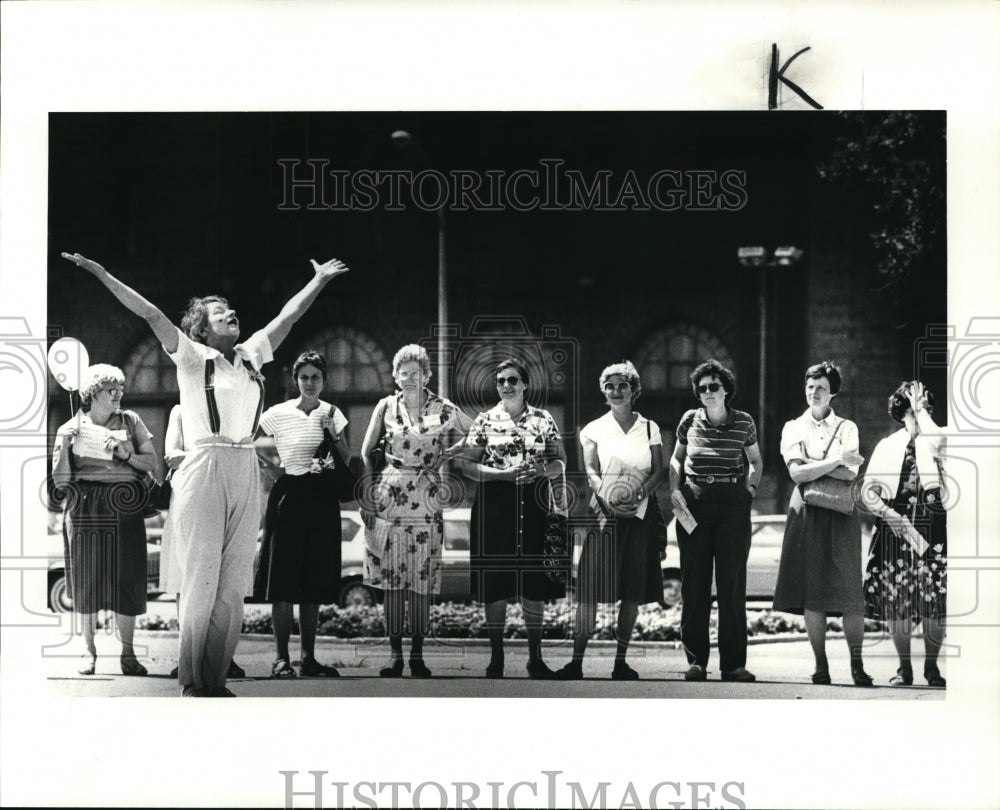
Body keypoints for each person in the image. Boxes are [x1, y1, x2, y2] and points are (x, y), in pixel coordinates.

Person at [61, 251, 349, 696]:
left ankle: (214, 677)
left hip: (243, 462)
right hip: (203, 464)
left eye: (231, 310)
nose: (231, 313)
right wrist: (102, 274)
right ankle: (192, 676)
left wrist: (319, 282)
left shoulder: (251, 355)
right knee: (201, 579)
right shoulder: (192, 358)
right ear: (201, 327)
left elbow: (288, 317)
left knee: (234, 582)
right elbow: (149, 312)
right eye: (219, 313)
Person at [359, 344, 470, 678]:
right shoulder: (385, 406)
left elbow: (476, 434)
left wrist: (447, 454)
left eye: (416, 372)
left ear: (427, 375)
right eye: (403, 372)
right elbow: (365, 452)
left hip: (426, 496)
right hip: (389, 494)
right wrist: (367, 496)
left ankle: (418, 656)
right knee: (392, 582)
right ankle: (395, 656)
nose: (409, 378)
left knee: (421, 581)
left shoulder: (443, 407)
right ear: (395, 376)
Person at [555, 361, 667, 681]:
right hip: (603, 514)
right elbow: (590, 469)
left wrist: (638, 494)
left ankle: (621, 662)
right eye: (610, 386)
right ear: (603, 392)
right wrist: (608, 495)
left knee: (631, 590)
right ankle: (576, 663)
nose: (616, 391)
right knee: (589, 589)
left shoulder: (649, 427)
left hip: (639, 515)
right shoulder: (593, 428)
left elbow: (658, 469)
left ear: (634, 390)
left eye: (622, 385)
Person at [458, 358, 567, 679]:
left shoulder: (543, 419)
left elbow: (560, 461)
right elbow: (467, 466)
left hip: (534, 504)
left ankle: (536, 659)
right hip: (496, 505)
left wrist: (541, 469)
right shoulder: (485, 420)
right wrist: (504, 475)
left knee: (534, 584)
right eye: (501, 381)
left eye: (513, 380)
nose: (507, 385)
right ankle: (496, 660)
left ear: (525, 384)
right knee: (495, 584)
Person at [52, 364, 158, 676]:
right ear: (93, 393)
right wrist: (66, 447)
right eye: (112, 389)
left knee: (128, 576)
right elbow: (60, 483)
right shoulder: (70, 427)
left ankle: (128, 654)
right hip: (85, 505)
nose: (119, 394)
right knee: (87, 579)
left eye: (121, 389)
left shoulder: (131, 420)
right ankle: (89, 650)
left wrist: (126, 455)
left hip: (125, 503)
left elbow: (151, 463)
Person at [771, 362, 872, 686]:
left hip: (842, 512)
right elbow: (796, 473)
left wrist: (816, 465)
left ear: (834, 393)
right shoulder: (793, 427)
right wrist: (836, 460)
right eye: (810, 386)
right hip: (806, 512)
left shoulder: (848, 427)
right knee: (811, 589)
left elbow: (851, 473)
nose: (814, 393)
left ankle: (857, 665)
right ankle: (821, 666)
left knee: (849, 592)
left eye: (822, 388)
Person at [254, 351, 348, 678]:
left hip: (321, 498)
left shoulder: (332, 412)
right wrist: (270, 470)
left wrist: (331, 434)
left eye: (315, 377)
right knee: (282, 581)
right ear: (295, 380)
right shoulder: (278, 412)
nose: (310, 383)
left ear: (324, 380)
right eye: (304, 377)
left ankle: (308, 658)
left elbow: (346, 457)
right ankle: (281, 659)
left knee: (314, 580)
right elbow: (247, 442)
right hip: (288, 493)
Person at [668, 359, 762, 683]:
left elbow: (756, 461)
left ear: (726, 391)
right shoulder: (688, 421)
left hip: (732, 505)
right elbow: (677, 458)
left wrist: (749, 491)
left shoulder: (744, 422)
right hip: (693, 503)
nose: (707, 392)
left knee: (731, 586)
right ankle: (696, 662)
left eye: (714, 387)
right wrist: (674, 493)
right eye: (702, 388)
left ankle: (733, 665)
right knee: (694, 585)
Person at [863, 381, 948, 688]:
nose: (916, 413)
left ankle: (932, 668)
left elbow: (938, 437)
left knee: (935, 600)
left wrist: (923, 412)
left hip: (933, 528)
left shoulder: (938, 439)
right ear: (901, 412)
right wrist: (889, 514)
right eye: (911, 408)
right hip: (894, 530)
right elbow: (868, 492)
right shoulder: (887, 445)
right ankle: (904, 668)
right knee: (896, 599)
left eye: (922, 407)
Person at [160, 404, 245, 681]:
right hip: (192, 496)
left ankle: (221, 656)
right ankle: (189, 653)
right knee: (188, 577)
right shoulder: (181, 410)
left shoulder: (228, 404)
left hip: (226, 498)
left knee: (224, 579)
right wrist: (210, 460)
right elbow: (171, 454)